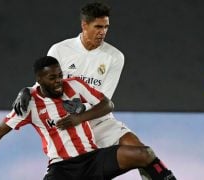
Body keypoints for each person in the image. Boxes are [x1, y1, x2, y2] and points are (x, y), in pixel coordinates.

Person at [12, 2, 175, 179]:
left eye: (106, 27)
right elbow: (45, 84)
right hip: (71, 125)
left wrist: (81, 109)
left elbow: (104, 99)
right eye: (98, 26)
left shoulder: (115, 57)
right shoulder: (60, 50)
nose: (102, 32)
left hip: (98, 118)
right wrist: (26, 90)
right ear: (84, 25)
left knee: (140, 150)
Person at [0, 56, 175, 180]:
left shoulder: (74, 85)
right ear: (39, 80)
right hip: (63, 169)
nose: (58, 81)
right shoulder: (30, 103)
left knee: (144, 154)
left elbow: (107, 104)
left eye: (59, 75)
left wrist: (79, 118)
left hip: (94, 159)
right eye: (52, 78)